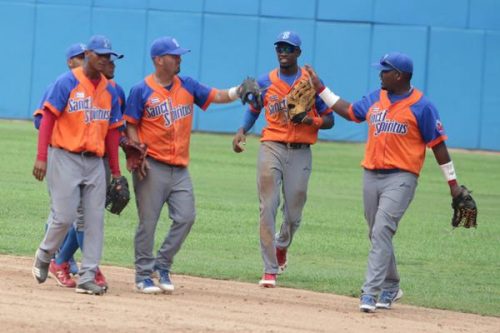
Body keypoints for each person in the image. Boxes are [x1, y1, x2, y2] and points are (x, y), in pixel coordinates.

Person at [305, 52, 466, 312]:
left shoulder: (422, 106)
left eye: (385, 70)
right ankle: (392, 286)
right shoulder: (375, 97)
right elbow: (349, 111)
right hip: (371, 174)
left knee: (382, 230)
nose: (380, 74)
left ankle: (370, 292)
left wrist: (453, 184)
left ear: (399, 75)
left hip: (402, 177)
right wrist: (320, 88)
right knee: (376, 232)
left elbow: (438, 146)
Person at [123, 36, 245, 294]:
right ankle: (143, 275)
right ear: (158, 60)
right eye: (174, 55)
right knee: (148, 222)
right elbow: (131, 123)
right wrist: (137, 152)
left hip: (179, 168)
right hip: (151, 167)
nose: (179, 59)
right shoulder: (140, 90)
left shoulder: (187, 85)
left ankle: (162, 264)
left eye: (179, 55)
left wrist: (239, 91)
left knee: (186, 217)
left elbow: (217, 95)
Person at [232, 31, 334, 288]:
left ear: (298, 53)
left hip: (301, 150)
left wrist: (311, 120)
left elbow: (331, 119)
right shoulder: (266, 81)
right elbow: (254, 109)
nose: (283, 52)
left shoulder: (312, 82)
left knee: (293, 212)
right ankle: (269, 269)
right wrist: (242, 130)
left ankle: (282, 246)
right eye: (280, 47)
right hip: (272, 146)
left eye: (289, 48)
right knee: (268, 206)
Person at [31, 35, 124, 296]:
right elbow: (47, 118)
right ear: (88, 56)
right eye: (102, 55)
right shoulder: (67, 82)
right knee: (64, 216)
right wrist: (41, 157)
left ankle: (87, 276)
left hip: (95, 162)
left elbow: (114, 132)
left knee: (94, 221)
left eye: (109, 56)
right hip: (65, 156)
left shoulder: (111, 90)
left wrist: (116, 172)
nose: (106, 60)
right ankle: (45, 253)